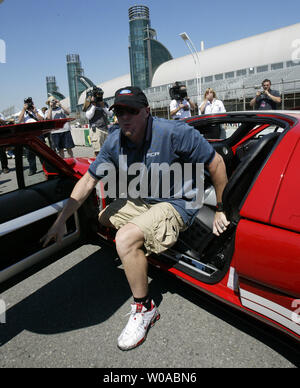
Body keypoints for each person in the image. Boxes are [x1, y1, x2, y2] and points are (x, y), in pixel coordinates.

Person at [41, 86, 229, 351]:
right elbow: (87, 180)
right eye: (119, 111)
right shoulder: (114, 140)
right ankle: (140, 248)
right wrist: (61, 220)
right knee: (104, 217)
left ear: (146, 112)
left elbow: (217, 164)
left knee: (125, 238)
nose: (125, 116)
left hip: (178, 204)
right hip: (146, 200)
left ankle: (145, 308)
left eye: (132, 110)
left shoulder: (174, 132)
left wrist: (221, 207)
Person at [83, 86, 112, 156]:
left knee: (106, 151)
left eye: (101, 94)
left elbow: (110, 114)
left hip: (105, 129)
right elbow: (88, 116)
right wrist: (94, 106)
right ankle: (98, 165)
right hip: (96, 129)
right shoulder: (89, 104)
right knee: (98, 151)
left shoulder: (104, 103)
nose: (99, 96)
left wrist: (103, 107)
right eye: (98, 95)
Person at [18, 97, 44, 175]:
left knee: (42, 152)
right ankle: (32, 169)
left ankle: (45, 168)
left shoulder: (38, 110)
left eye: (30, 102)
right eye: (27, 103)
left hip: (38, 132)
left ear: (33, 103)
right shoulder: (24, 112)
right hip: (28, 134)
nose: (29, 104)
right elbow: (19, 121)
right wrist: (23, 109)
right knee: (30, 153)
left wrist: (35, 112)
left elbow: (42, 120)